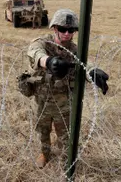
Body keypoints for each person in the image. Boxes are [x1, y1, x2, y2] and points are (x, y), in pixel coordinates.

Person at [21, 9, 109, 168]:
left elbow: (83, 65)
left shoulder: (75, 50)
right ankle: (45, 153)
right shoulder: (43, 42)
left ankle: (65, 159)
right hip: (44, 99)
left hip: (64, 102)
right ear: (54, 28)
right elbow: (34, 52)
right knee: (43, 130)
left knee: (65, 135)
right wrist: (48, 62)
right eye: (62, 29)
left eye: (71, 30)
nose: (67, 33)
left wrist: (92, 73)